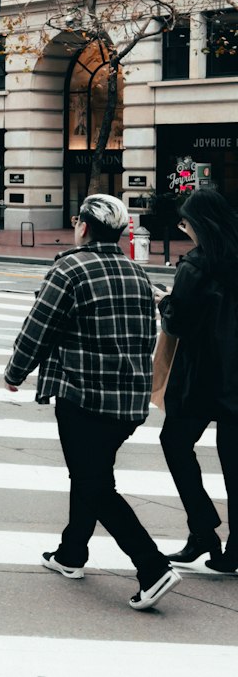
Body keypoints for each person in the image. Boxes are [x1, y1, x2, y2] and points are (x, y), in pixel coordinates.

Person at [4, 193, 179, 611]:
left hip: (83, 394)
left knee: (93, 482)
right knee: (91, 474)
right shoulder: (137, 273)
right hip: (130, 401)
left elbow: (39, 326)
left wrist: (16, 372)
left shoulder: (70, 268)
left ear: (83, 225)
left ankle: (152, 567)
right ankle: (71, 554)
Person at [155, 187, 238, 574]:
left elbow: (181, 322)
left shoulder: (196, 265)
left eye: (184, 221)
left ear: (197, 223)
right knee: (235, 463)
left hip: (201, 376)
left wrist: (165, 302)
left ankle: (202, 527)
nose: (182, 227)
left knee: (174, 442)